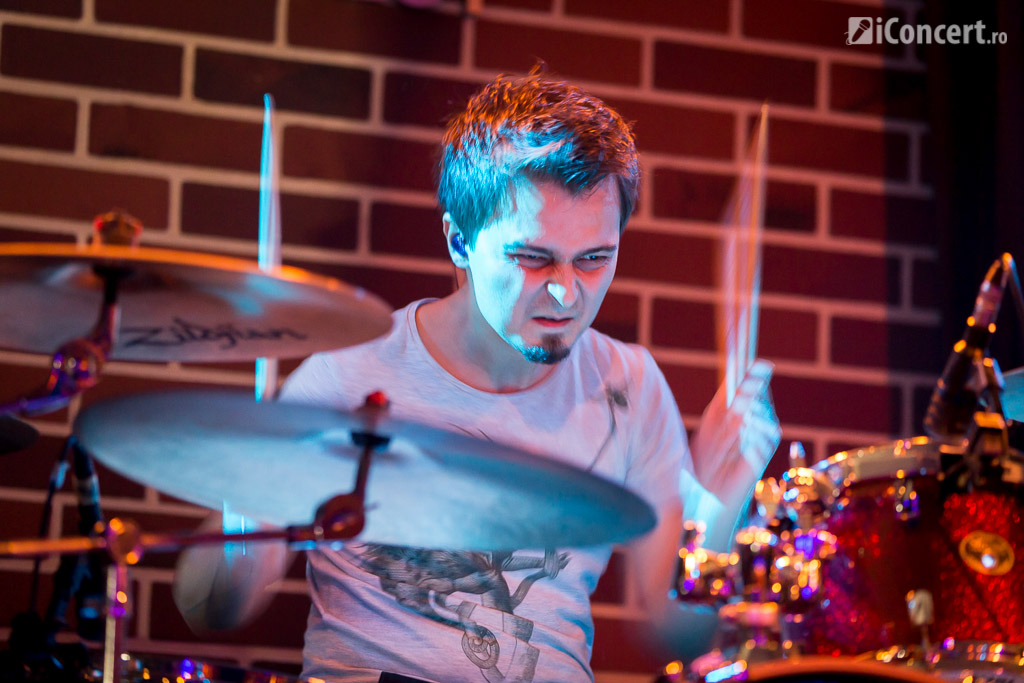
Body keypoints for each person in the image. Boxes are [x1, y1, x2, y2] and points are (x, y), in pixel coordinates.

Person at [173, 66, 780, 683]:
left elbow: (674, 634)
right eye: (532, 257)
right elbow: (210, 612)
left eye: (595, 259)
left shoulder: (630, 387)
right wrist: (243, 508)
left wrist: (717, 509)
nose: (567, 292)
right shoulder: (349, 373)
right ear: (459, 243)